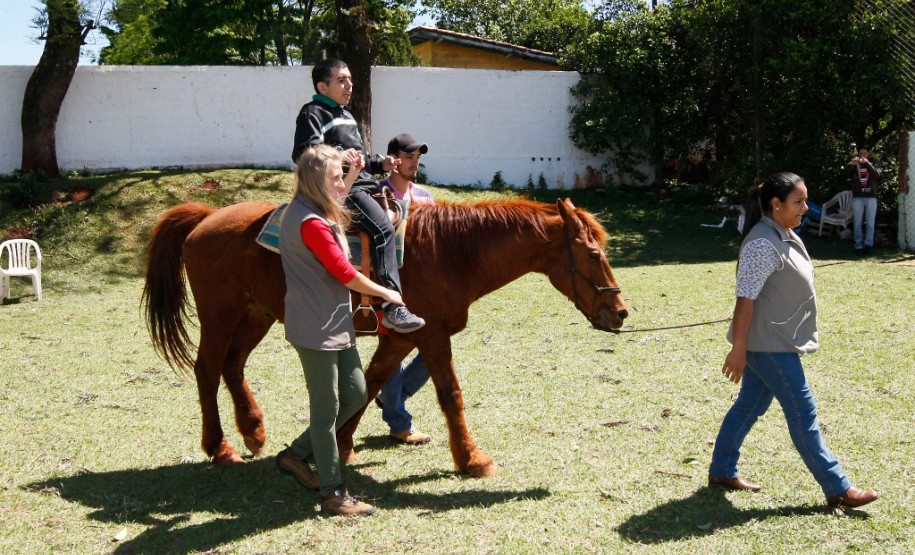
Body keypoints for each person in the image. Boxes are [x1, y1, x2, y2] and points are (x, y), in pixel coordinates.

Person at [708, 172, 879, 509]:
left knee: (750, 405)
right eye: (798, 202)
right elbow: (745, 301)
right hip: (769, 345)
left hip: (775, 339)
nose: (805, 208)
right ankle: (838, 488)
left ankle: (722, 471)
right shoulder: (762, 243)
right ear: (776, 204)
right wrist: (738, 350)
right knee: (803, 412)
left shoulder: (782, 233)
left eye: (805, 200)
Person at [275, 144, 401, 516]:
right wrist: (385, 292)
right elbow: (345, 273)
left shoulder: (312, 207)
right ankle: (333, 493)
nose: (341, 183)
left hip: (333, 320)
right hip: (315, 327)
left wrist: (351, 173)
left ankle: (296, 454)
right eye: (335, 176)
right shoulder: (310, 222)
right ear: (317, 181)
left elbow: (338, 198)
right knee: (326, 410)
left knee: (357, 392)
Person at [291, 59, 425, 333]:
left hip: (366, 184)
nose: (349, 85)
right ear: (322, 87)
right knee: (383, 228)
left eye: (350, 79)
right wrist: (340, 157)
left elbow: (359, 159)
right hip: (345, 189)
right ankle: (392, 307)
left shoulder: (346, 115)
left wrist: (380, 164)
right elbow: (304, 153)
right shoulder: (312, 113)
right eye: (341, 80)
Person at [375, 133, 435, 444]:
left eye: (417, 158)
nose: (415, 163)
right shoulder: (377, 194)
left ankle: (392, 397)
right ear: (394, 160)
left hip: (422, 288)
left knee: (432, 349)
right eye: (409, 157)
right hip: (389, 289)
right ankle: (399, 423)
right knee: (394, 351)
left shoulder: (424, 196)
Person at [844, 144, 883, 255]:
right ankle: (859, 246)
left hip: (871, 197)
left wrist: (867, 164)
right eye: (860, 153)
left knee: (870, 223)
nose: (862, 155)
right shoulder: (855, 164)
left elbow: (876, 175)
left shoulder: (874, 163)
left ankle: (869, 245)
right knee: (857, 223)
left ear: (868, 154)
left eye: (865, 153)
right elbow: (845, 174)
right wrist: (850, 165)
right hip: (858, 197)